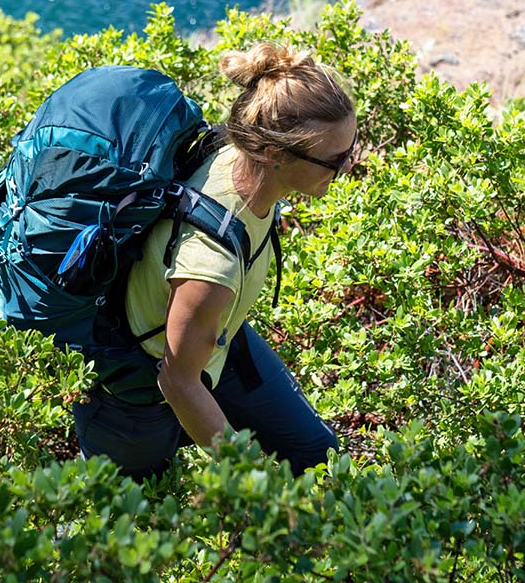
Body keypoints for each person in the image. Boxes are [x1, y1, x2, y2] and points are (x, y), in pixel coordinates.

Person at [72, 41, 358, 480]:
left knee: (316, 455)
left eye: (351, 149)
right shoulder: (211, 264)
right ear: (276, 154)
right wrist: (251, 483)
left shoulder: (239, 156)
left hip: (214, 345)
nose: (346, 169)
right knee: (133, 517)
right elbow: (178, 381)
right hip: (139, 388)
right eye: (335, 161)